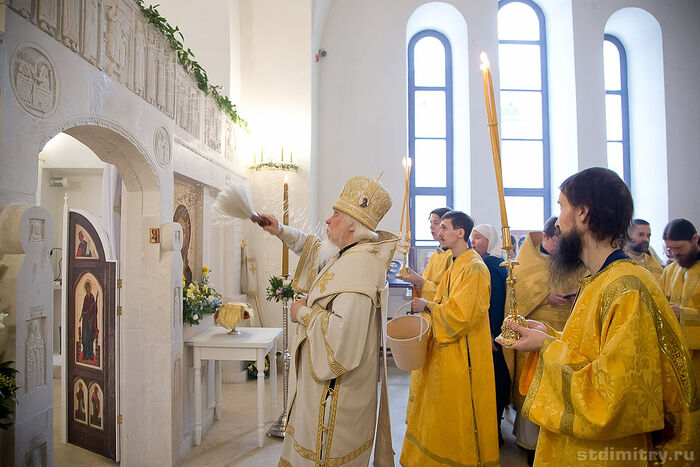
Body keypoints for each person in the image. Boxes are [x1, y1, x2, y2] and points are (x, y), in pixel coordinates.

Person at [501, 167, 699, 466]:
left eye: (561, 206)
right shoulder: (599, 280)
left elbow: (615, 396)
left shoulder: (627, 288)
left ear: (582, 214)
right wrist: (548, 336)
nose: (559, 222)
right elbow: (590, 355)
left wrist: (546, 347)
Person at [258, 175, 396, 466]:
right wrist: (280, 230)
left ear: (352, 225)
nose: (328, 219)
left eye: (336, 214)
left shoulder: (360, 268)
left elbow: (343, 339)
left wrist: (302, 313)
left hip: (336, 396)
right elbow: (313, 247)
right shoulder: (349, 253)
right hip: (321, 389)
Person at [401, 211, 499, 466]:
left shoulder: (475, 267)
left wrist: (428, 307)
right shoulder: (456, 262)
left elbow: (462, 314)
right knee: (439, 414)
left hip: (462, 356)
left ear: (460, 232)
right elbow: (443, 296)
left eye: (444, 227)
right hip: (446, 352)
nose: (439, 232)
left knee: (459, 414)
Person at [504, 216, 574, 463]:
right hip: (532, 336)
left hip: (566, 334)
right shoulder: (525, 262)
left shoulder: (572, 260)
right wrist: (545, 298)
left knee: (559, 389)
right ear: (545, 237)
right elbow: (515, 300)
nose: (563, 246)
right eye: (559, 241)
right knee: (532, 386)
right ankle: (530, 443)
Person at [396, 207, 452, 423]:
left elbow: (444, 293)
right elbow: (429, 284)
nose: (432, 228)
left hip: (440, 321)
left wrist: (420, 281)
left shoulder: (450, 256)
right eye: (430, 224)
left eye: (437, 223)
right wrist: (416, 280)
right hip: (428, 320)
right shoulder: (437, 254)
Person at [471, 223, 510, 446]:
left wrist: (491, 334)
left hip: (491, 336)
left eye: (478, 238)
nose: (473, 242)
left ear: (490, 241)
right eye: (472, 238)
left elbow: (494, 304)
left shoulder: (491, 265)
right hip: (489, 333)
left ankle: (491, 432)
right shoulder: (488, 263)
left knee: (492, 384)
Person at [661, 218, 700, 383]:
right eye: (670, 249)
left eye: (679, 248)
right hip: (675, 354)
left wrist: (682, 314)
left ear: (695, 239)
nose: (675, 253)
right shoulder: (670, 271)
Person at [79, 280, 98, 362]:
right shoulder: (86, 297)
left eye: (88, 287)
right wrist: (81, 316)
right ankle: (85, 354)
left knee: (90, 336)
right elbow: (83, 308)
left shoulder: (92, 297)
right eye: (86, 287)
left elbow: (94, 310)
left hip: (90, 319)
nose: (87, 288)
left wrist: (94, 306)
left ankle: (90, 354)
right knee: (85, 337)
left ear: (90, 288)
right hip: (85, 320)